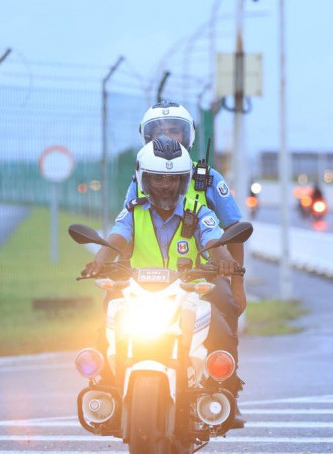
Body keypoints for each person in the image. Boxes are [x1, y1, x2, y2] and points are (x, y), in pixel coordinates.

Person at [83, 137, 245, 427]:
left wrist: (223, 260)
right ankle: (107, 391)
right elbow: (116, 237)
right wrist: (100, 259)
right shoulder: (133, 211)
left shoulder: (199, 210)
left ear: (184, 181)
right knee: (104, 328)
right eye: (158, 178)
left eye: (173, 179)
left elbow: (213, 238)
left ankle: (223, 393)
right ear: (144, 179)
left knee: (221, 330)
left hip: (189, 292)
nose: (166, 186)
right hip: (139, 292)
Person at [126, 101, 247, 336]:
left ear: (187, 135)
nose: (167, 137)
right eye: (159, 132)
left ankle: (225, 362)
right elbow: (128, 226)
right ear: (147, 137)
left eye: (174, 130)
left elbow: (234, 229)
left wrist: (237, 284)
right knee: (111, 312)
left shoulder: (208, 178)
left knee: (225, 307)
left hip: (201, 279)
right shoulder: (141, 179)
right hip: (146, 281)